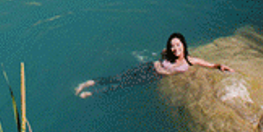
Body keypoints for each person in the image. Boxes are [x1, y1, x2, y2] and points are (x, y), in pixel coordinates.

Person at [75, 32, 233, 98]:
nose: (175, 48)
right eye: (173, 46)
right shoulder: (167, 53)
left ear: (183, 45)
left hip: (155, 75)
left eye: (178, 45)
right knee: (119, 77)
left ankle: (93, 92)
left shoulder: (190, 61)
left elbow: (209, 64)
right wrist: (163, 55)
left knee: (124, 84)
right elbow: (162, 55)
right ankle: (90, 82)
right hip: (149, 66)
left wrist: (220, 66)